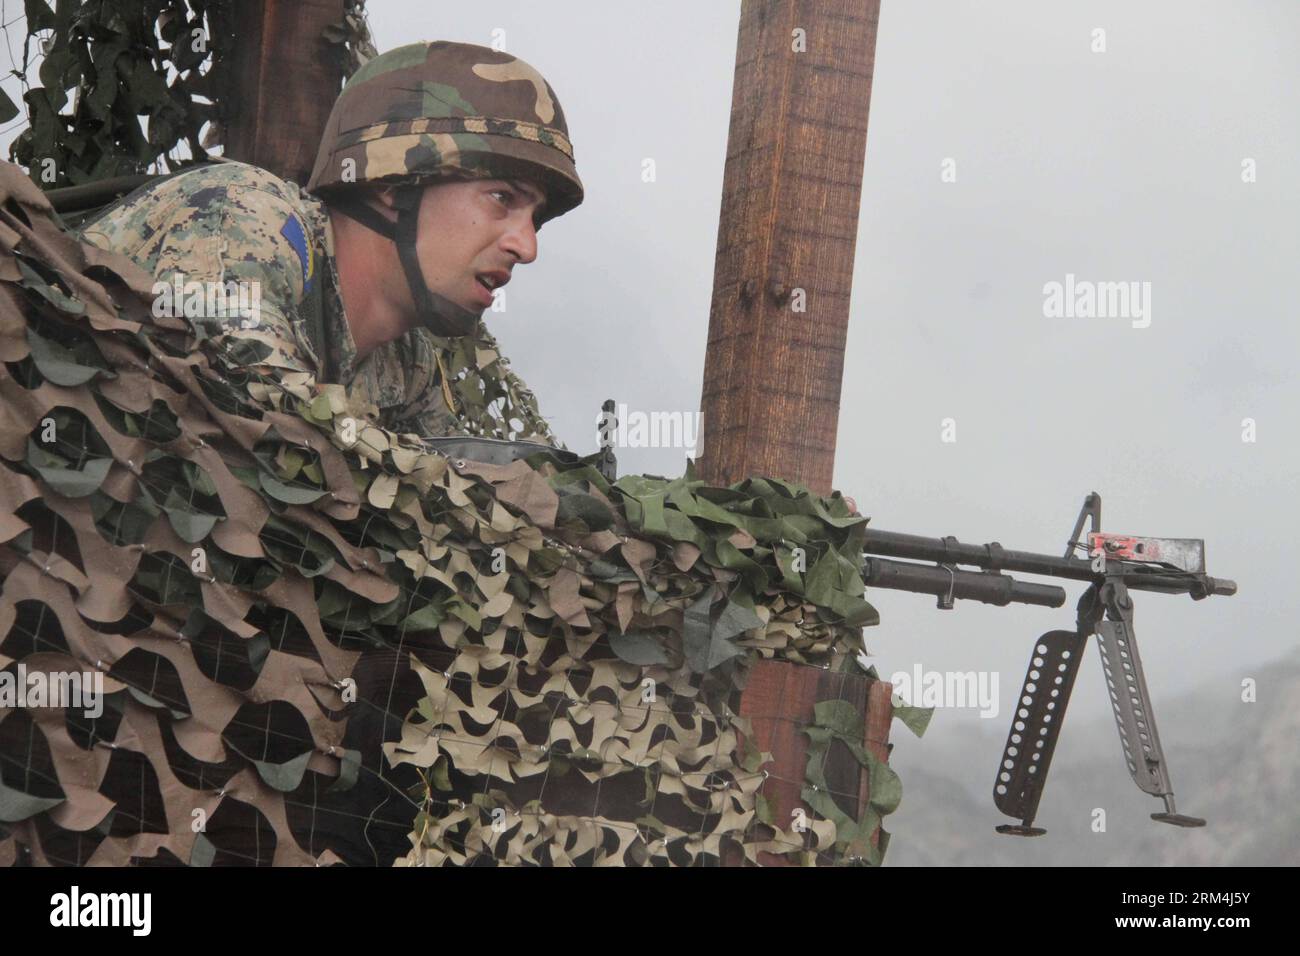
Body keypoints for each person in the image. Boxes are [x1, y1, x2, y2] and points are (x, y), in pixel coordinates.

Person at [81, 40, 584, 445]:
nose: (526, 246)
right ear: (394, 182)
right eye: (502, 198)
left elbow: (450, 492)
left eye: (535, 218)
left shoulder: (406, 362)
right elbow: (267, 423)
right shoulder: (243, 216)